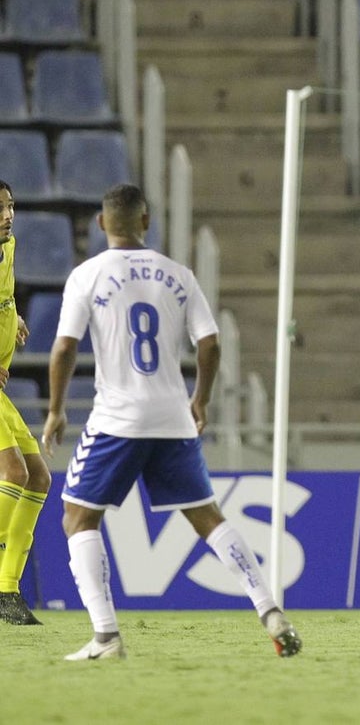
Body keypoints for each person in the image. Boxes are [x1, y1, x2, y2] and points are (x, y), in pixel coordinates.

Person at [41, 184, 302, 661]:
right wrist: (198, 399)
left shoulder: (88, 275)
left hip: (117, 417)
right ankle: (269, 611)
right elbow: (210, 343)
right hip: (172, 415)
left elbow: (63, 348)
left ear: (101, 225)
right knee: (208, 518)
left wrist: (56, 409)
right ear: (146, 223)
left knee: (78, 517)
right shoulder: (178, 275)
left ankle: (106, 637)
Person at [0, 180, 51, 626]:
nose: (7, 214)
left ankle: (8, 591)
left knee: (38, 477)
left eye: (11, 205)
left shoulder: (8, 246)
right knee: (14, 472)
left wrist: (12, 315)